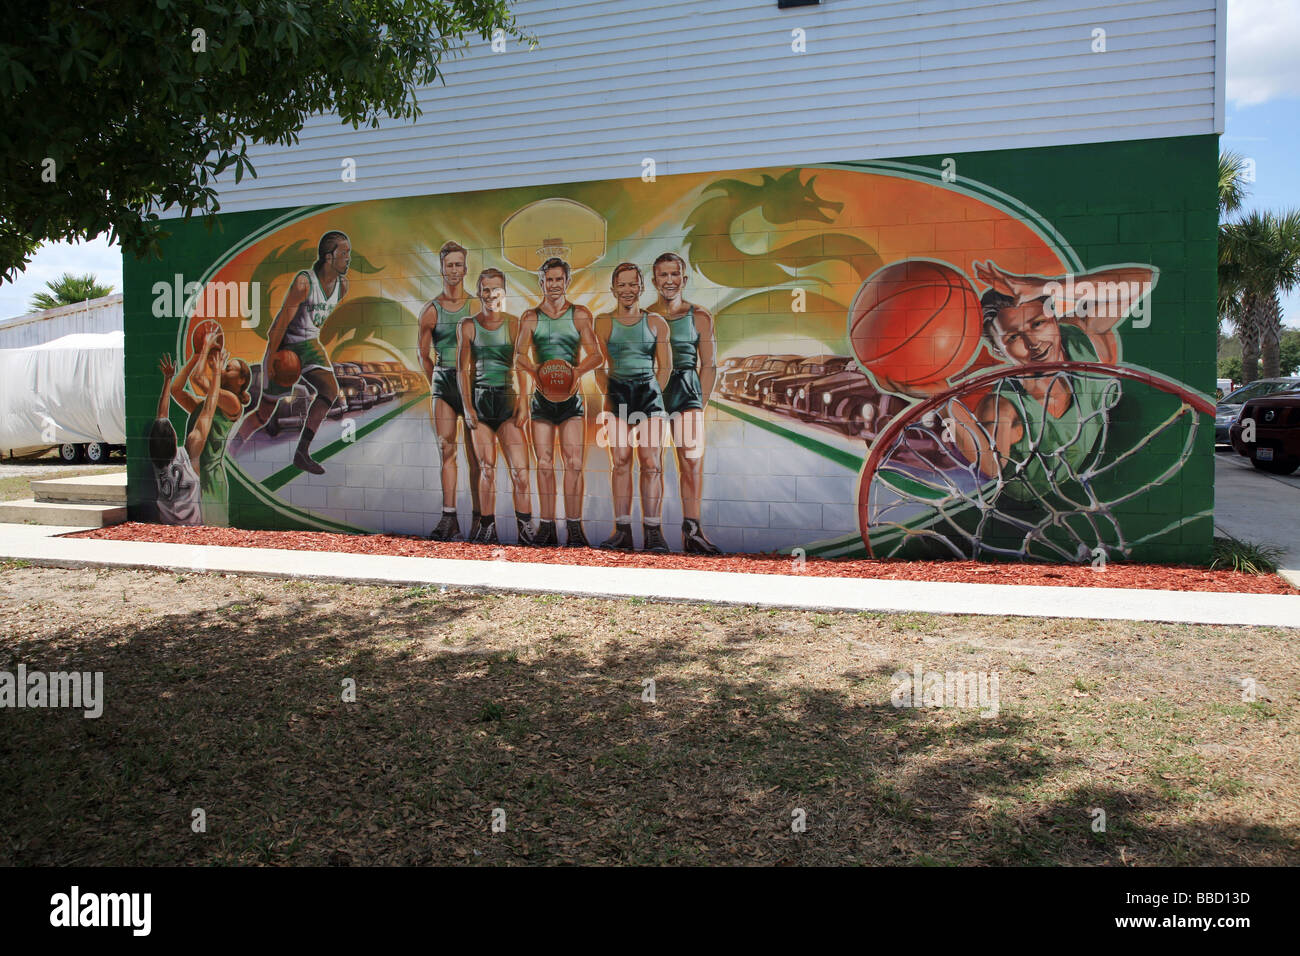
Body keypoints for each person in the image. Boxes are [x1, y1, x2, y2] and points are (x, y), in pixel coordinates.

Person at [950, 260, 1157, 495]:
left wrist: (1047, 287)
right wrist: (944, 403)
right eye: (1013, 338)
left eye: (1038, 324)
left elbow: (1142, 280)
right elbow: (991, 467)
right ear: (998, 351)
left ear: (1055, 319)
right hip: (1031, 509)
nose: (1033, 343)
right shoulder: (1002, 406)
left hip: (1098, 482)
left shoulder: (1085, 339)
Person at [232, 230, 351, 474]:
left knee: (329, 390)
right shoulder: (304, 282)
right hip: (286, 344)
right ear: (329, 257)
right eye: (345, 253)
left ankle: (301, 453)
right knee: (265, 413)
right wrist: (271, 360)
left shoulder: (343, 286)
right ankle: (232, 449)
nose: (349, 258)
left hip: (310, 343)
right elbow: (279, 325)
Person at [514, 257, 603, 547]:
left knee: (574, 463)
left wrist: (576, 371)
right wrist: (535, 371)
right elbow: (519, 355)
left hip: (571, 400)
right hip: (541, 400)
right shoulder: (530, 317)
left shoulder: (579, 315)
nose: (553, 285)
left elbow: (596, 355)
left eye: (558, 279)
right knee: (544, 464)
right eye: (548, 280)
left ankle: (575, 527)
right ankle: (548, 525)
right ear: (541, 283)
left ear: (567, 282)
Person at [593, 262, 673, 551]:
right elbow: (598, 365)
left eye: (633, 284)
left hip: (649, 395)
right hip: (617, 394)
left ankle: (653, 531)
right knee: (621, 462)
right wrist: (609, 393)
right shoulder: (602, 322)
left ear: (641, 287)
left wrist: (651, 394)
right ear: (613, 289)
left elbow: (665, 367)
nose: (627, 290)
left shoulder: (656, 323)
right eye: (622, 284)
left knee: (652, 464)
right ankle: (623, 530)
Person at [648, 252, 722, 554]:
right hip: (652, 392)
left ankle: (692, 530)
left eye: (674, 274)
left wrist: (698, 404)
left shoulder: (700, 317)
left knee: (690, 463)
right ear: (654, 281)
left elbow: (710, 365)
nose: (669, 280)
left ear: (684, 279)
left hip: (687, 391)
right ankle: (653, 533)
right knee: (652, 465)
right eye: (663, 275)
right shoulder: (644, 316)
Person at [457, 269, 536, 546]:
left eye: (496, 289)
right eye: (486, 289)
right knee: (486, 469)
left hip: (507, 401)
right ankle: (488, 528)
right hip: (480, 402)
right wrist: (467, 408)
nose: (491, 295)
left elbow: (522, 366)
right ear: (480, 292)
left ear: (504, 292)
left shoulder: (514, 324)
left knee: (520, 472)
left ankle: (525, 528)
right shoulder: (468, 325)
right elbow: (462, 370)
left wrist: (524, 403)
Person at [417, 240, 483, 541]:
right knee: (447, 449)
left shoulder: (477, 306)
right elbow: (423, 354)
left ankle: (481, 519)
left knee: (476, 455)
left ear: (465, 268)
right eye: (449, 265)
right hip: (444, 382)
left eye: (459, 264)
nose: (454, 269)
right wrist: (437, 382)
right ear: (442, 269)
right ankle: (449, 517)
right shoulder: (431, 310)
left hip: (473, 383)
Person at [168, 329, 251, 526]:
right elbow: (176, 390)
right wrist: (196, 355)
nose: (223, 368)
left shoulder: (233, 402)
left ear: (241, 381)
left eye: (228, 368)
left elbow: (199, 380)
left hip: (210, 477)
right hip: (193, 472)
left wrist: (205, 350)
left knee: (213, 530)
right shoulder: (207, 406)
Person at [147, 353, 208, 526]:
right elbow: (206, 414)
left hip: (167, 523)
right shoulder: (186, 456)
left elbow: (161, 415)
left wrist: (167, 380)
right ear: (173, 439)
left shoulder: (157, 465)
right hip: (193, 526)